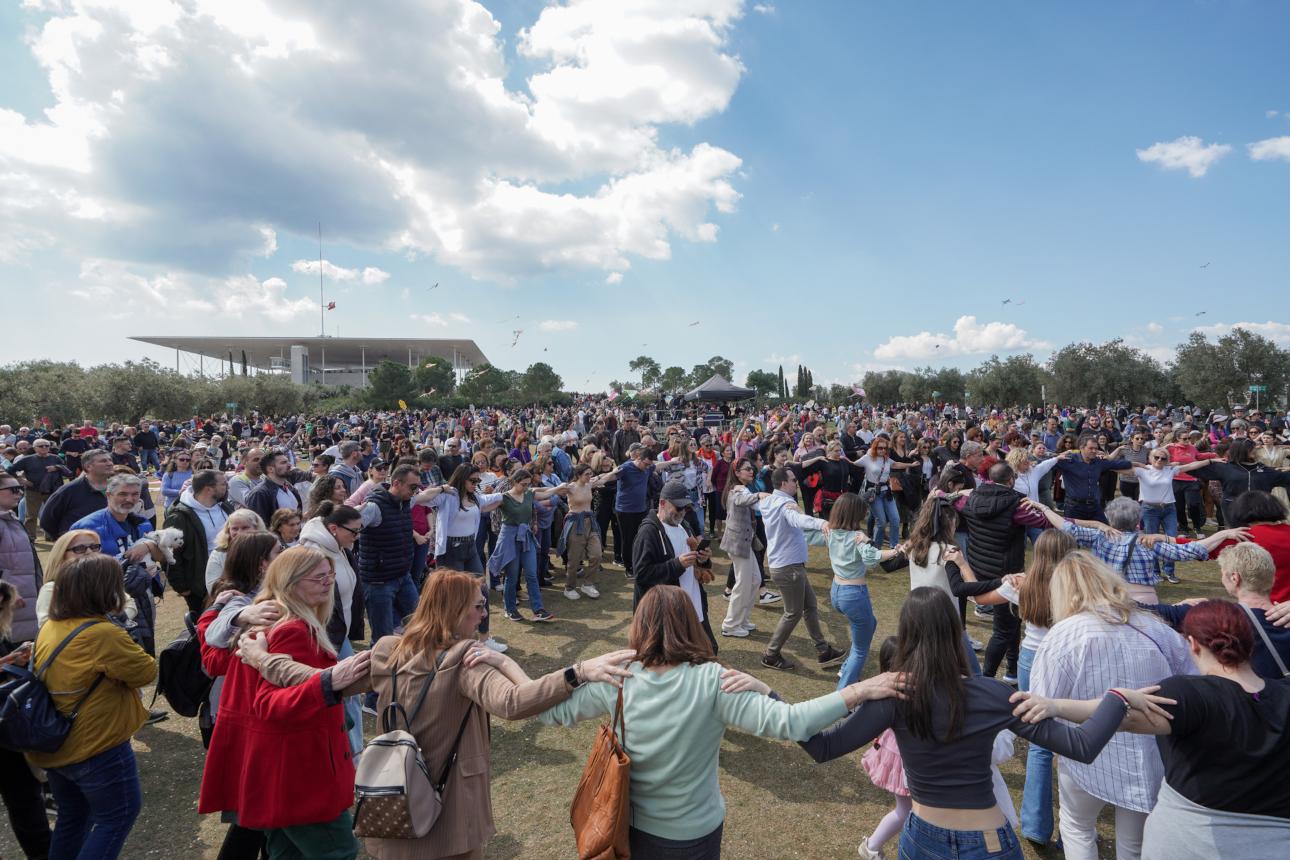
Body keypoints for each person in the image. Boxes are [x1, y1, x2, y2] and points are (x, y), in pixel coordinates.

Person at [241, 569, 632, 859]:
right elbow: (513, 702)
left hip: (391, 809)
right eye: (479, 606)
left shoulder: (388, 651)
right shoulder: (466, 661)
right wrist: (577, 672)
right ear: (455, 609)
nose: (483, 615)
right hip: (450, 821)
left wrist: (262, 660)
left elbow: (315, 679)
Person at [539, 584, 899, 859]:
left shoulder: (618, 676)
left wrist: (574, 671)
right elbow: (792, 723)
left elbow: (547, 708)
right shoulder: (712, 680)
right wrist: (858, 691)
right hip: (695, 834)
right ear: (690, 623)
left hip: (634, 829)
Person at [797, 586, 1155, 860]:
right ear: (956, 633)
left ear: (906, 635)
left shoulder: (893, 695)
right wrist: (1117, 698)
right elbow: (1082, 746)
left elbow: (821, 746)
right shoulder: (993, 694)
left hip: (922, 836)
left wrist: (771, 699)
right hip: (987, 840)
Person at [1015, 598, 1290, 856]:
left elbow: (1121, 718)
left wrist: (1056, 705)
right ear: (1251, 643)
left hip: (1191, 842)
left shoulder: (1188, 694)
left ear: (1192, 644)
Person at [198, 547, 369, 860]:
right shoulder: (292, 629)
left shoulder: (266, 618)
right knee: (338, 850)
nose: (329, 582)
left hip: (275, 769)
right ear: (290, 583)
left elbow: (213, 652)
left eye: (330, 575)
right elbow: (270, 704)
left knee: (285, 851)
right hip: (300, 769)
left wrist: (220, 615)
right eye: (319, 577)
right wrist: (329, 685)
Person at [1029, 551, 1195, 860]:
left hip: (1084, 753)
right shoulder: (1156, 628)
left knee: (1077, 827)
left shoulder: (1064, 635)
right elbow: (1191, 683)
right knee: (1133, 844)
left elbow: (1041, 700)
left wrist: (1055, 747)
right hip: (1149, 752)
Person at [29, 553, 158, 860]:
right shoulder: (101, 633)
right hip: (96, 745)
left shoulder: (53, 625)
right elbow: (146, 671)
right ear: (103, 590)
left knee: (73, 818)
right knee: (117, 816)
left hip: (58, 745)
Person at [1029, 496, 1247, 603]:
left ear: (1110, 519)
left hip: (1107, 598)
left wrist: (1044, 508)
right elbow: (1190, 550)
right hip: (1146, 601)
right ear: (1138, 521)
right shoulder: (1148, 542)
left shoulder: (1099, 536)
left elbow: (1065, 526)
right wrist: (1223, 534)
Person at [952, 462, 1051, 682]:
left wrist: (955, 492)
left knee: (1013, 622)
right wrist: (1042, 509)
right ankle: (986, 679)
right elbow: (1044, 521)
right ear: (1010, 481)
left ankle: (1012, 671)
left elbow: (948, 498)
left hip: (980, 567)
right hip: (1006, 574)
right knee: (1004, 629)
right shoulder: (1016, 507)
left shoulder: (970, 500)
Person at [811, 492, 904, 688]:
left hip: (837, 592)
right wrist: (896, 551)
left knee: (870, 624)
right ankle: (843, 692)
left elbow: (808, 534)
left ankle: (845, 668)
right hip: (853, 595)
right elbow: (872, 558)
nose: (865, 514)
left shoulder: (831, 532)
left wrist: (819, 524)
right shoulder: (856, 537)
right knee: (861, 649)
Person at [757, 467, 845, 671]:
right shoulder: (785, 504)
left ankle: (823, 651)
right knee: (793, 613)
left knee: (810, 606)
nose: (796, 482)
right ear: (783, 483)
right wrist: (822, 523)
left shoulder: (769, 500)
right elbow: (799, 520)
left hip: (788, 565)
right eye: (793, 480)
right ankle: (770, 654)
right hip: (789, 568)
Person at [423, 465, 506, 651]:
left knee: (482, 592)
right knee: (453, 597)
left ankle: (484, 639)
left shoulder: (474, 497)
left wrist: (517, 492)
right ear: (461, 478)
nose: (476, 484)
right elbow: (420, 499)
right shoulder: (447, 496)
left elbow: (493, 499)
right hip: (451, 550)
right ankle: (449, 638)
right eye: (473, 480)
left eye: (478, 481)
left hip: (470, 548)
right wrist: (441, 488)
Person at [632, 479, 717, 648]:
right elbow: (641, 574)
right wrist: (677, 565)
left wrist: (703, 559)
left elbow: (695, 565)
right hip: (666, 613)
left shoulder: (684, 525)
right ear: (662, 503)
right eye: (678, 507)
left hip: (693, 605)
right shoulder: (648, 532)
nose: (682, 512)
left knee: (709, 649)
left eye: (685, 508)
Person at [486, 467, 569, 623]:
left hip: (526, 536)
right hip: (509, 537)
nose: (526, 487)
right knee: (512, 575)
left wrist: (559, 488)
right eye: (523, 484)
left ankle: (538, 610)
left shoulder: (529, 494)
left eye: (528, 484)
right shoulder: (503, 497)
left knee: (531, 573)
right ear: (514, 482)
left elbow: (546, 493)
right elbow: (485, 506)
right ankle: (510, 609)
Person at [853, 636, 911, 859]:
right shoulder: (896, 692)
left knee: (907, 810)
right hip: (900, 756)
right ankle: (872, 847)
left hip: (894, 751)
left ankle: (873, 847)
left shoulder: (881, 687)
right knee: (906, 811)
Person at [164, 468, 233, 614]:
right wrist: (182, 587)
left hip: (232, 581)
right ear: (209, 489)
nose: (227, 487)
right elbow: (169, 554)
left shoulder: (226, 507)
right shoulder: (179, 517)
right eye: (223, 484)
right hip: (200, 588)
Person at [718, 457, 766, 637]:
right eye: (747, 469)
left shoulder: (742, 487)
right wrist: (760, 495)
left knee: (754, 580)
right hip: (737, 543)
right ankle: (730, 625)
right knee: (742, 583)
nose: (751, 471)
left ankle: (741, 619)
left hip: (743, 542)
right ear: (737, 473)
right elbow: (741, 499)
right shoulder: (737, 489)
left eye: (751, 469)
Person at [0, 470, 42, 644]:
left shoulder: (10, 519)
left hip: (23, 607)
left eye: (21, 489)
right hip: (8, 609)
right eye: (14, 489)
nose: (20, 493)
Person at [558, 464, 611, 600]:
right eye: (587, 474)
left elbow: (607, 478)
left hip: (590, 522)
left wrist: (619, 469)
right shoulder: (570, 487)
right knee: (574, 559)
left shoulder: (589, 485)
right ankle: (569, 587)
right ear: (579, 475)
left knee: (597, 555)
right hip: (575, 523)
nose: (590, 476)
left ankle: (588, 584)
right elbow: (552, 491)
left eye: (590, 474)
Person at [38, 448, 114, 540]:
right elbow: (47, 520)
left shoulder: (119, 488)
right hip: (81, 548)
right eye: (103, 461)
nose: (110, 463)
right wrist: (66, 540)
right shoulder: (69, 490)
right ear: (88, 466)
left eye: (110, 460)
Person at [5, 436, 70, 539]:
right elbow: (10, 470)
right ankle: (30, 537)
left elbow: (67, 471)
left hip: (52, 491)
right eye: (41, 446)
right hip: (33, 491)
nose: (44, 447)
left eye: (47, 445)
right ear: (35, 448)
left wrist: (57, 467)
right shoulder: (27, 459)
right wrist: (21, 480)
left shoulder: (55, 458)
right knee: (31, 516)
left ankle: (50, 535)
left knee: (51, 514)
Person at [1053, 438, 1131, 522]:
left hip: (1094, 506)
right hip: (1074, 507)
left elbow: (1116, 464)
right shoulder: (1068, 460)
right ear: (1082, 448)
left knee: (1106, 531)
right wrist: (1057, 456)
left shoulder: (1098, 462)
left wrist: (1133, 463)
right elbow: (1047, 463)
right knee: (1074, 534)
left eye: (1096, 448)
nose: (1094, 451)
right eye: (1091, 448)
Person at [203, 508, 267, 591]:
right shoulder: (219, 553)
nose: (239, 532)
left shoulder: (267, 549)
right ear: (228, 530)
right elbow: (212, 586)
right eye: (235, 528)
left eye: (245, 528)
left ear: (256, 528)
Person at [243, 449, 302, 525]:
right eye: (283, 463)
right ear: (270, 469)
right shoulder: (259, 494)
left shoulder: (291, 489)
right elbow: (259, 527)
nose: (289, 465)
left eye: (288, 461)